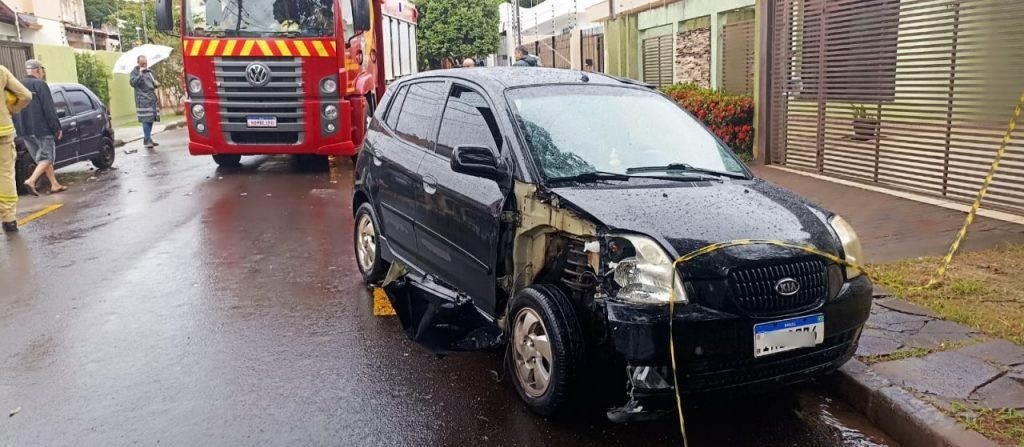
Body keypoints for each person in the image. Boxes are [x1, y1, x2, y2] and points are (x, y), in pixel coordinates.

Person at [16, 60, 65, 196]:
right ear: (38, 70)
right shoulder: (40, 85)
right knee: (47, 158)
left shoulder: (17, 85)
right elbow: (49, 108)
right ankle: (31, 180)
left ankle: (54, 184)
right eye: (42, 70)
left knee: (41, 159)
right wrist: (56, 127)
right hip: (41, 129)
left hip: (24, 130)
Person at [0, 65, 33, 233]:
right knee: (5, 175)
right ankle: (9, 220)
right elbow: (25, 95)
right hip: (2, 133)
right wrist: (11, 109)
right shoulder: (1, 71)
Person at [130, 55, 161, 149]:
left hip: (151, 98)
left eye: (145, 63)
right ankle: (147, 140)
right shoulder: (134, 72)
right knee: (146, 119)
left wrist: (156, 84)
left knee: (151, 119)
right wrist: (140, 74)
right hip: (142, 99)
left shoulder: (150, 72)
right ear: (138, 63)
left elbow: (153, 84)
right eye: (142, 63)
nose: (144, 65)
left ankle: (147, 138)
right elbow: (133, 83)